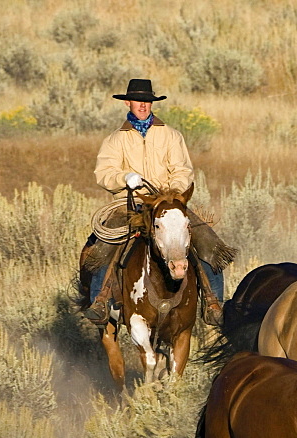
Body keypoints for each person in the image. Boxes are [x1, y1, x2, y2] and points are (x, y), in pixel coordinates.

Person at [81, 78, 234, 325]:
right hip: (128, 204)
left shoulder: (171, 136)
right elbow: (104, 173)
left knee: (207, 240)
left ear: (152, 103)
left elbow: (183, 170)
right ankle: (99, 300)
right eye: (138, 101)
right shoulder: (115, 139)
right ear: (128, 103)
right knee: (105, 244)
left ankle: (214, 302)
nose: (143, 105)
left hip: (168, 203)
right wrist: (124, 177)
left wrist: (171, 195)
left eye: (147, 101)